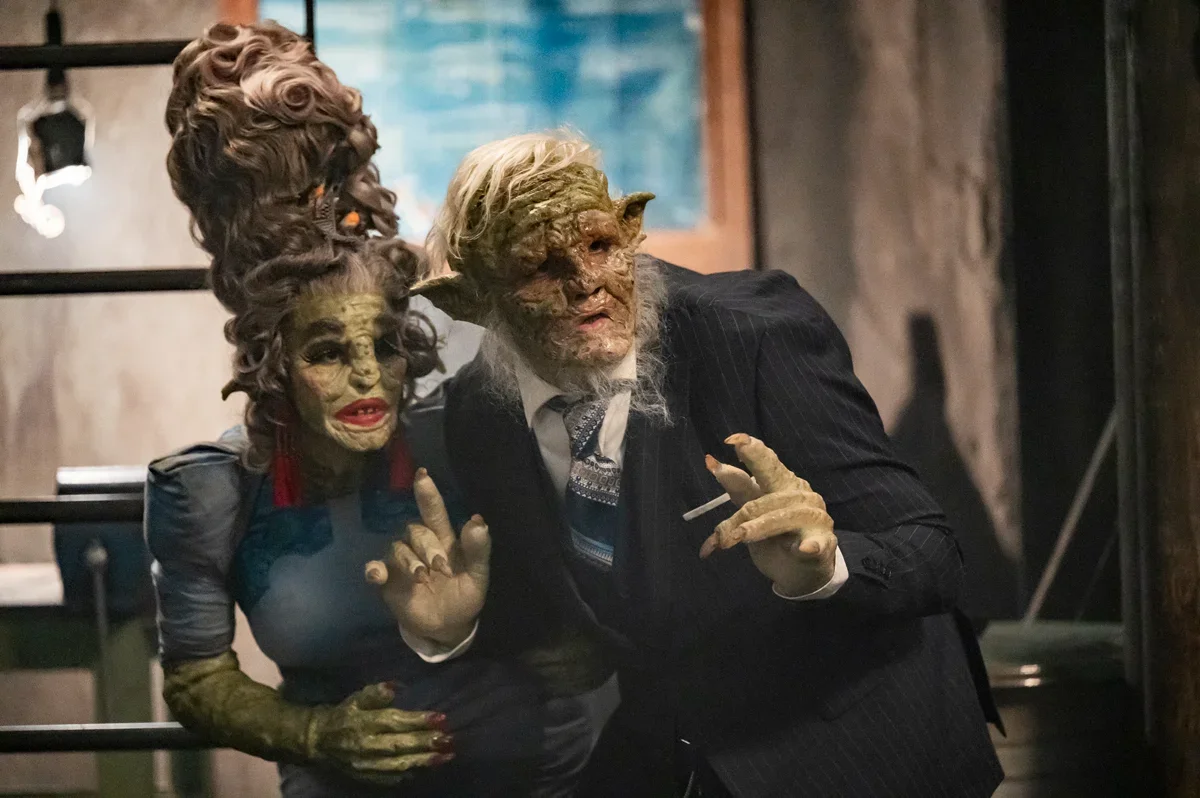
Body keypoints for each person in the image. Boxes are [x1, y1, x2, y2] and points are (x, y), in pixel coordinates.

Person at [393, 132, 1005, 797]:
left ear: (629, 231)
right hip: (678, 731)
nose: (586, 283)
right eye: (538, 268)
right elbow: (565, 613)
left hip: (854, 739)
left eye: (599, 245)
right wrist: (458, 628)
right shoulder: (481, 413)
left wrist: (825, 565)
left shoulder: (751, 336)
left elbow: (933, 552)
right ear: (470, 299)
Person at [147, 25, 591, 797]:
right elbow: (194, 676)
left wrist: (594, 638)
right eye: (325, 353)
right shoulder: (211, 491)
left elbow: (604, 545)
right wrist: (314, 734)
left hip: (543, 775)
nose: (364, 379)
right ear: (275, 363)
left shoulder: (473, 421)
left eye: (383, 347)